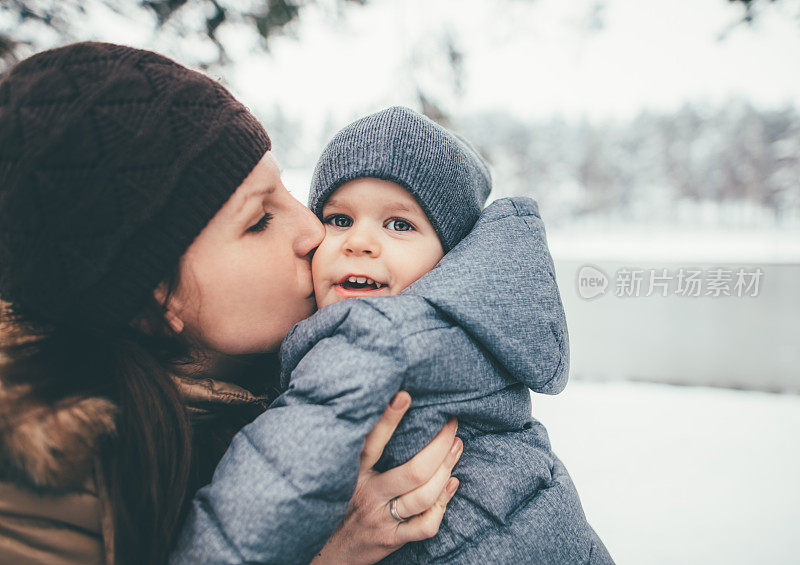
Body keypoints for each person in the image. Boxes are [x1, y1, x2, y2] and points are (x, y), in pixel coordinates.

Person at [0, 42, 462, 565]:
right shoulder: (48, 487)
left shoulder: (325, 369)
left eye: (286, 190)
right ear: (155, 297)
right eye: (259, 220)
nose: (313, 230)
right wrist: (321, 552)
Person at [172, 107, 615, 563]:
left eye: (399, 224)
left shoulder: (372, 339)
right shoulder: (471, 329)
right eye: (339, 219)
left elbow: (274, 482)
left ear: (449, 261)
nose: (358, 242)